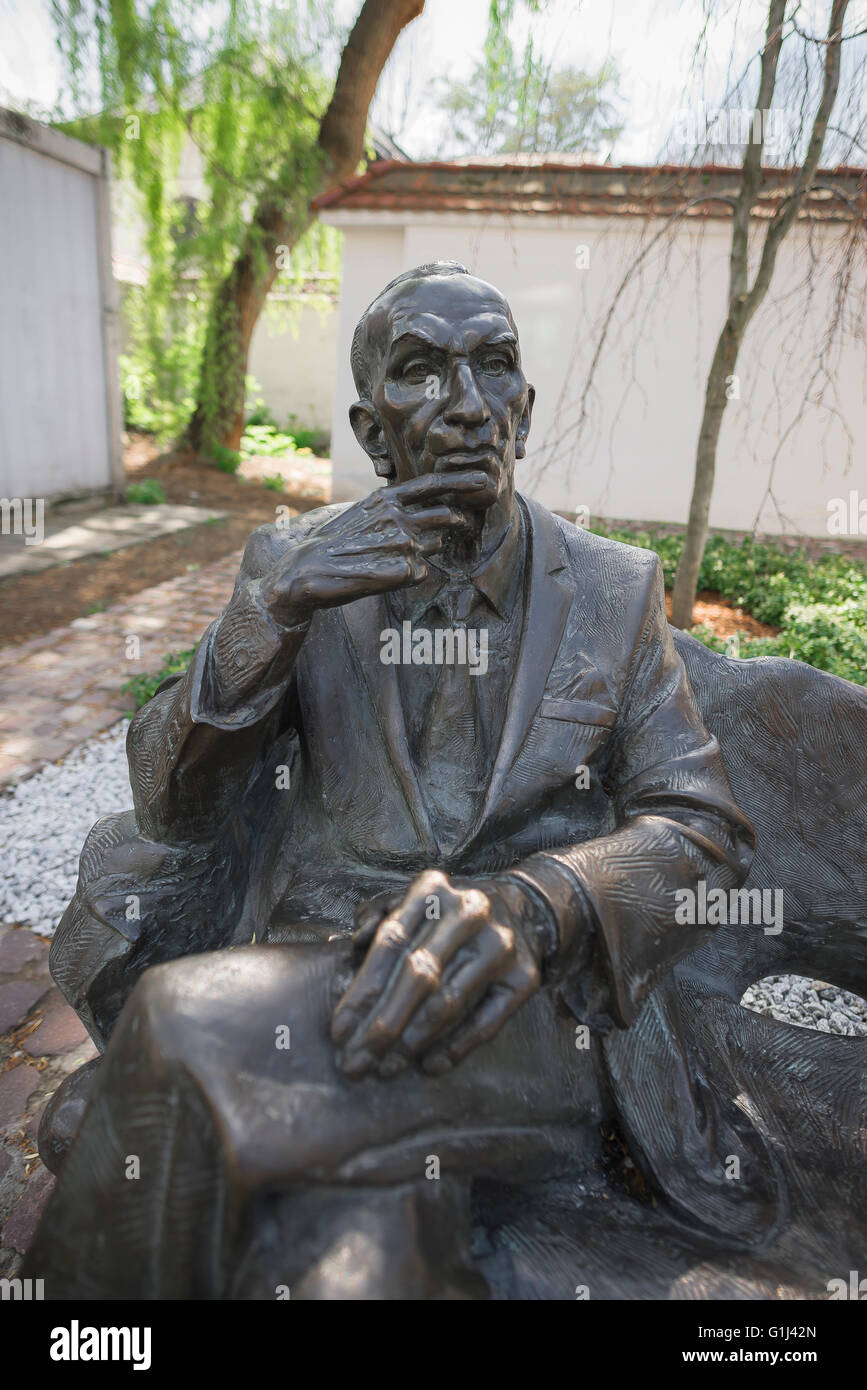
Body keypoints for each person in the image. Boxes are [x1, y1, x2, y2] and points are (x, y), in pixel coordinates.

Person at [28, 262, 763, 1299]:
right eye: (422, 372)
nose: (466, 407)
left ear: (526, 407)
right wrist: (268, 619)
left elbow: (707, 834)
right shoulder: (296, 568)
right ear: (371, 432)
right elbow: (173, 807)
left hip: (532, 1008)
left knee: (178, 1031)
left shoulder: (610, 588)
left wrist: (540, 904)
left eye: (494, 367)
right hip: (328, 985)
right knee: (353, 1262)